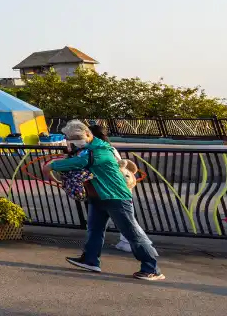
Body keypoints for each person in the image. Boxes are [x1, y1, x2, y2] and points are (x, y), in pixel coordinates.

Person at [49, 120, 164, 281]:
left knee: (132, 233)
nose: (73, 140)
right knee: (94, 230)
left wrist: (53, 165)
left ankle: (152, 268)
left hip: (115, 197)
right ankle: (90, 260)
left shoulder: (100, 150)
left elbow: (81, 163)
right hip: (98, 196)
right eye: (70, 138)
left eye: (75, 137)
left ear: (88, 134)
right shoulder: (87, 150)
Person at [87, 123, 142, 254]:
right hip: (118, 188)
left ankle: (141, 253)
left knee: (125, 221)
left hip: (109, 190)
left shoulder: (99, 150)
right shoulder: (110, 149)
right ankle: (92, 256)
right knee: (125, 219)